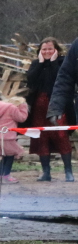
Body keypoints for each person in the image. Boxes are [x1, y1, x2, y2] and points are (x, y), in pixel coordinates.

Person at [30, 38, 75, 182]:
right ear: (40, 51)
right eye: (44, 49)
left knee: (61, 136)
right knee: (41, 138)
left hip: (57, 105)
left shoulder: (63, 62)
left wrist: (54, 62)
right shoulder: (36, 64)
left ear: (56, 50)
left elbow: (61, 79)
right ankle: (46, 173)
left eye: (50, 49)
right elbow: (31, 81)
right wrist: (41, 64)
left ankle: (68, 172)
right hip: (39, 106)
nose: (47, 51)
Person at [0, 96, 29, 183]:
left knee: (5, 156)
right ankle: (6, 176)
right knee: (10, 155)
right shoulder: (12, 108)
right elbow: (22, 118)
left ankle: (0, 176)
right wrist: (23, 107)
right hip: (8, 136)